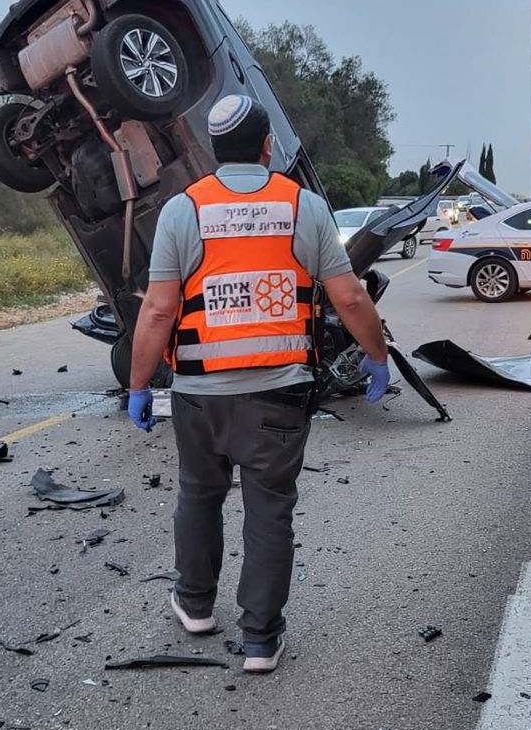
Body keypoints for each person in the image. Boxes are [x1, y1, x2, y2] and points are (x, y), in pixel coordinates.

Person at [126, 94, 392, 674]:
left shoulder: (183, 210)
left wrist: (140, 384)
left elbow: (157, 312)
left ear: (216, 151)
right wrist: (377, 355)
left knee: (199, 495)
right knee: (268, 511)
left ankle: (195, 605)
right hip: (278, 393)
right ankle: (260, 640)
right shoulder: (305, 207)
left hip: (200, 395)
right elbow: (348, 295)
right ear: (268, 146)